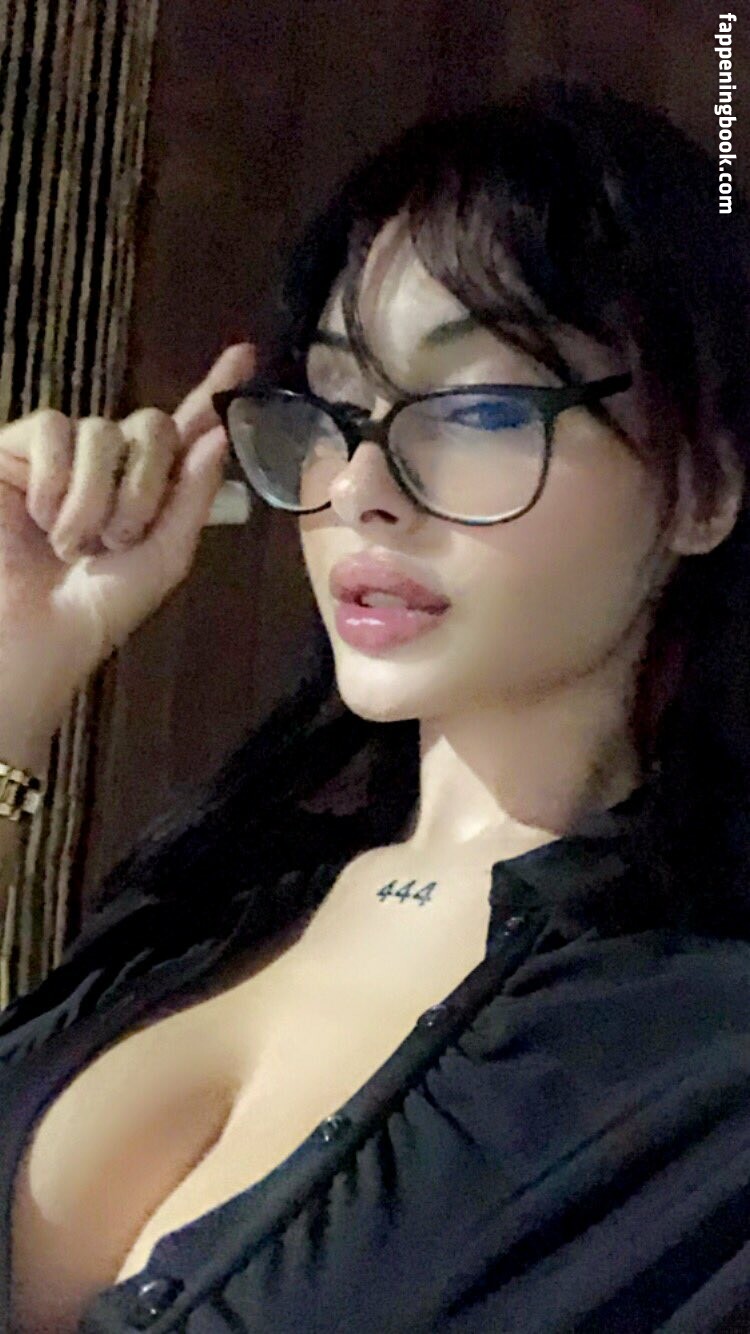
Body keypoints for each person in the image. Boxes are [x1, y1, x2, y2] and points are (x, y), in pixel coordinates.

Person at [1, 75, 750, 1332]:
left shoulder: (704, 1068)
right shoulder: (210, 902)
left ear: (704, 485)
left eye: (480, 407)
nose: (359, 485)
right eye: (339, 407)